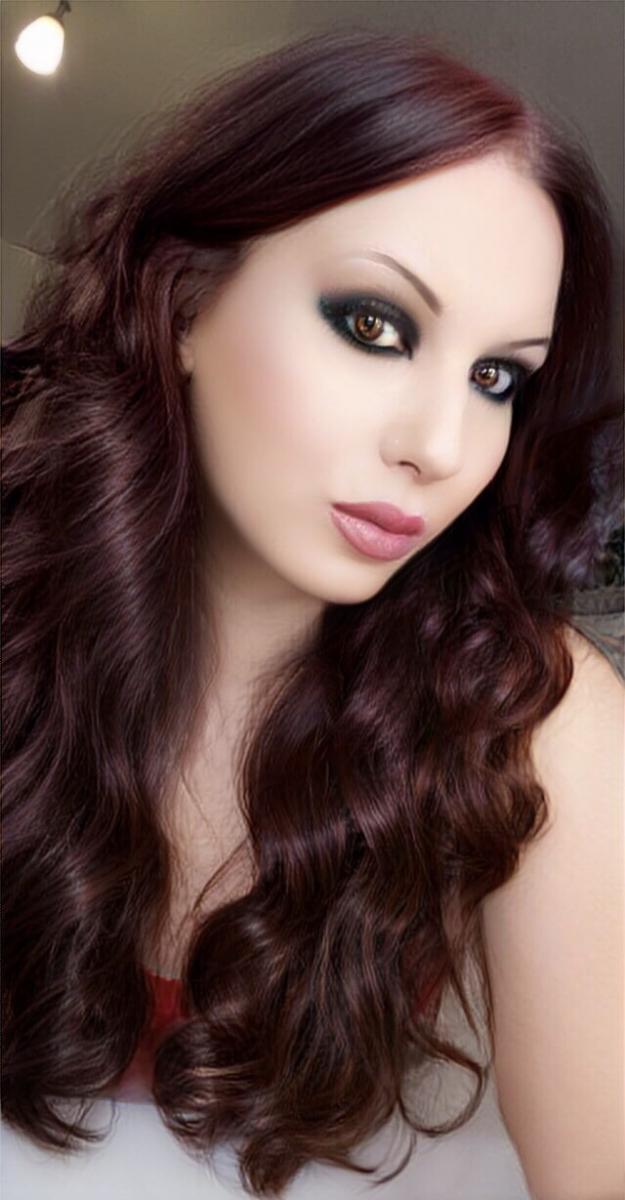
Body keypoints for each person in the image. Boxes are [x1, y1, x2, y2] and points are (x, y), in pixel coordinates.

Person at [2, 26, 623, 1200]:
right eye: (375, 325)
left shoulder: (530, 717)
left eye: (497, 377)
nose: (441, 446)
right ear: (184, 303)